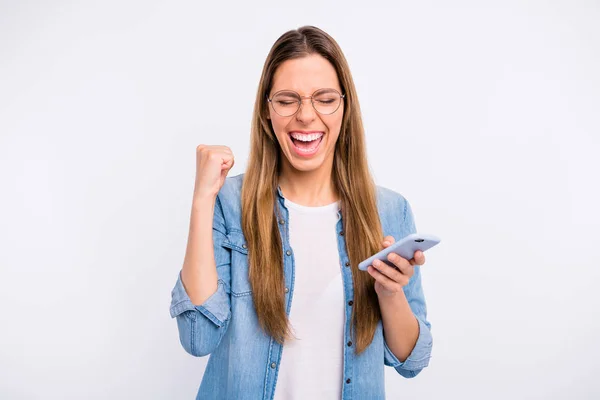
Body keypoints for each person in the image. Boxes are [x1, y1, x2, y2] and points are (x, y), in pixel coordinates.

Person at [169, 25, 433, 400]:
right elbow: (197, 337)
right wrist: (201, 199)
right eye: (287, 100)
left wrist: (390, 293)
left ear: (345, 108)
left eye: (324, 99)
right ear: (267, 110)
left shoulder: (389, 210)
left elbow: (412, 361)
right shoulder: (229, 201)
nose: (306, 116)